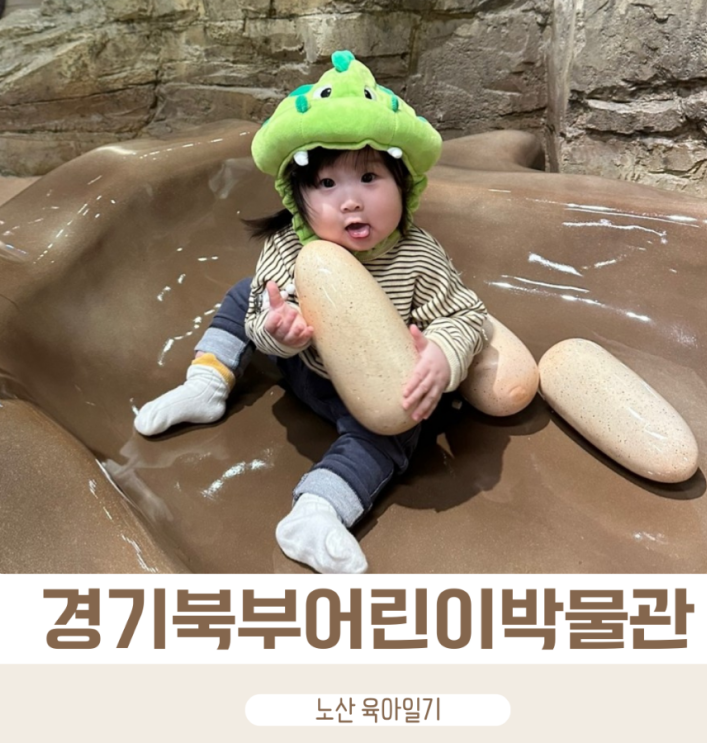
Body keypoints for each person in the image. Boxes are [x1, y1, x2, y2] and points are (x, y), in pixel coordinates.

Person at [134, 50, 487, 574]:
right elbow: (262, 312)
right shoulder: (289, 247)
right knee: (244, 294)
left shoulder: (418, 256)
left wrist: (442, 355)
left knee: (397, 431)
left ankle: (319, 509)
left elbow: (465, 315)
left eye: (369, 178)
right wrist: (278, 332)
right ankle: (207, 381)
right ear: (298, 198)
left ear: (404, 185)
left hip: (366, 394)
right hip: (303, 365)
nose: (351, 201)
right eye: (327, 184)